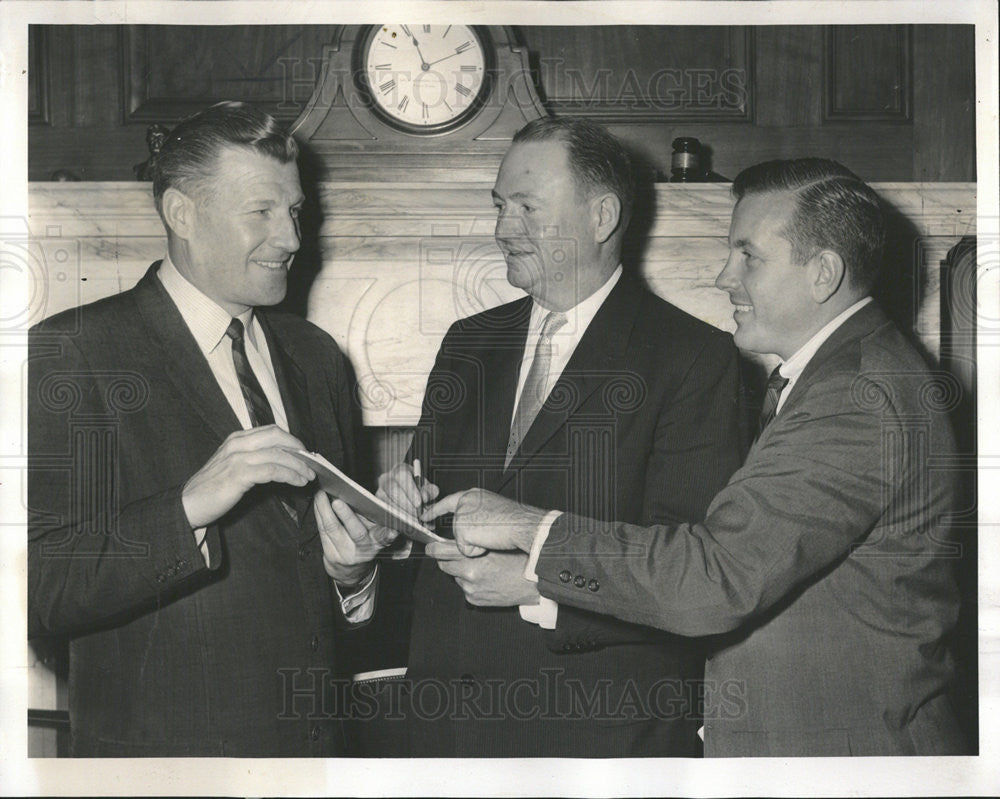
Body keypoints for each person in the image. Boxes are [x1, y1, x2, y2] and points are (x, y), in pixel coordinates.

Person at [427, 158, 970, 757]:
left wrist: (529, 528)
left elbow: (715, 578)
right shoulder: (841, 374)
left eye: (748, 257)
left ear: (823, 274)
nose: (723, 277)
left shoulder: (855, 398)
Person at [317, 117, 744, 756]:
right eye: (498, 205)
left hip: (599, 737)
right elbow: (433, 528)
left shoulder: (695, 359)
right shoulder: (469, 343)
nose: (501, 229)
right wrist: (383, 533)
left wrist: (540, 582)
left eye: (526, 207)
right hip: (448, 733)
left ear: (602, 216)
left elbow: (696, 574)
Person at [28, 101, 375, 756]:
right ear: (182, 213)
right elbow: (40, 588)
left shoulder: (319, 358)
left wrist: (353, 577)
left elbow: (313, 572)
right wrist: (189, 506)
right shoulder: (73, 353)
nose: (293, 239)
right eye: (262, 212)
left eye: (295, 211)